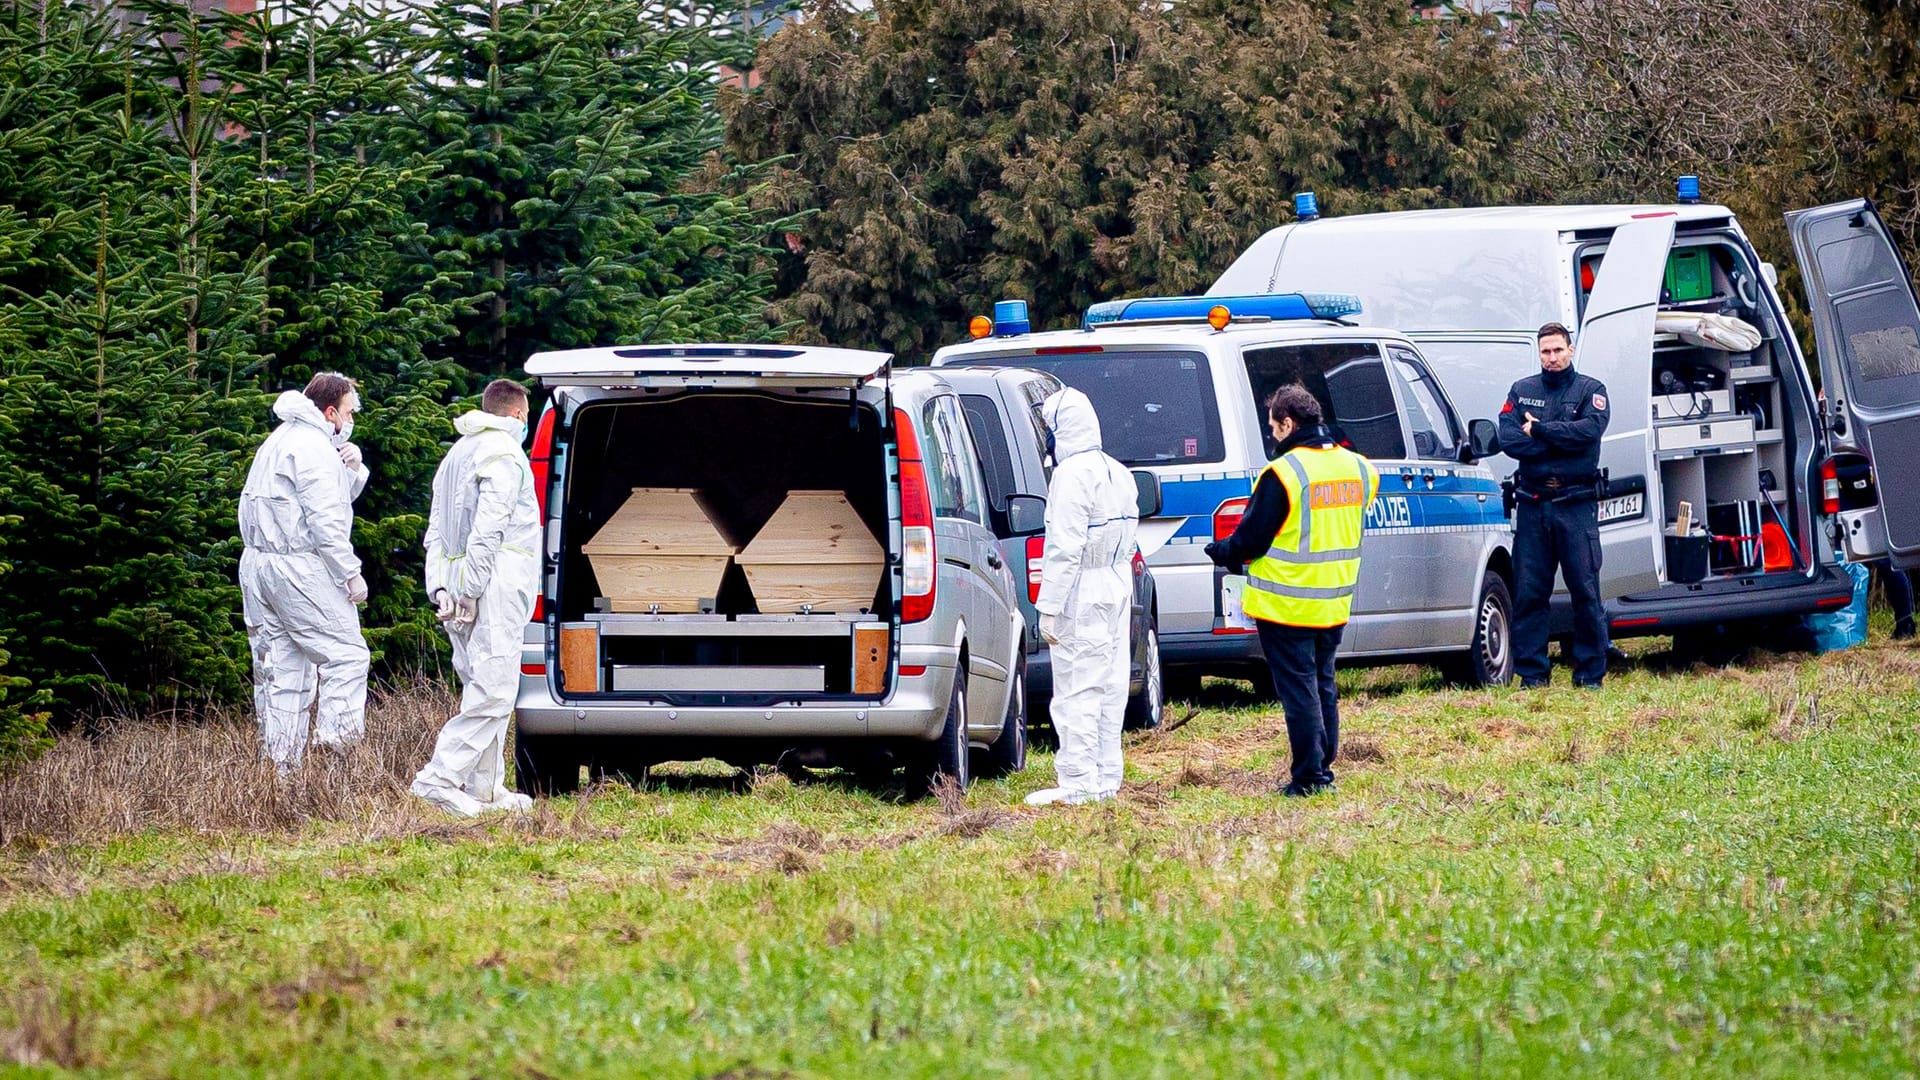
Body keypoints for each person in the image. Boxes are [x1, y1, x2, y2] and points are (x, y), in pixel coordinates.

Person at [1206, 385, 1377, 798]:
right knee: (1323, 683)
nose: (1273, 436)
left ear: (1288, 423)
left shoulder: (1284, 473)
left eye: (1274, 428)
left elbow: (1252, 539)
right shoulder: (1359, 468)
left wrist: (1222, 551)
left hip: (1286, 604)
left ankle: (1311, 777)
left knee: (1298, 690)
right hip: (1334, 600)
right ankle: (1323, 763)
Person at [411, 379, 543, 816]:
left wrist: (443, 588)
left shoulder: (457, 454)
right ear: (519, 415)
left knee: (479, 684)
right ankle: (440, 778)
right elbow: (489, 531)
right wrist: (469, 589)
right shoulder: (505, 455)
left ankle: (486, 788)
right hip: (492, 585)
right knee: (495, 689)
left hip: (458, 584)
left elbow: (437, 532)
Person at [238, 372, 371, 770]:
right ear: (330, 412)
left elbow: (300, 501)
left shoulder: (280, 439)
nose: (350, 420)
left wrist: (352, 468)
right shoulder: (312, 447)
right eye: (348, 412)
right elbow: (325, 520)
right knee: (347, 655)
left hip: (260, 567)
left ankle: (283, 773)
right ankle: (337, 759)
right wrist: (350, 573)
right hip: (299, 566)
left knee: (283, 671)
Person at [1025, 387, 1140, 806]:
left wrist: (1049, 607)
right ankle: (1107, 776)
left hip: (1083, 589)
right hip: (1116, 586)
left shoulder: (1071, 476)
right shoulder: (1118, 471)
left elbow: (1064, 548)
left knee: (1077, 688)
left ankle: (1077, 781)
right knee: (1110, 685)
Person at [1498, 321, 1611, 689]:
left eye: (1558, 350)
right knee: (1529, 592)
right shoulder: (1522, 390)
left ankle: (1590, 675)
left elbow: (1588, 433)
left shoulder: (1591, 390)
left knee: (1585, 591)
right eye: (1545, 351)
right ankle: (1532, 675)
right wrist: (1560, 439)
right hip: (1533, 504)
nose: (1551, 358)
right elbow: (1510, 440)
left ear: (1571, 349)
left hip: (1575, 504)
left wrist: (1543, 430)